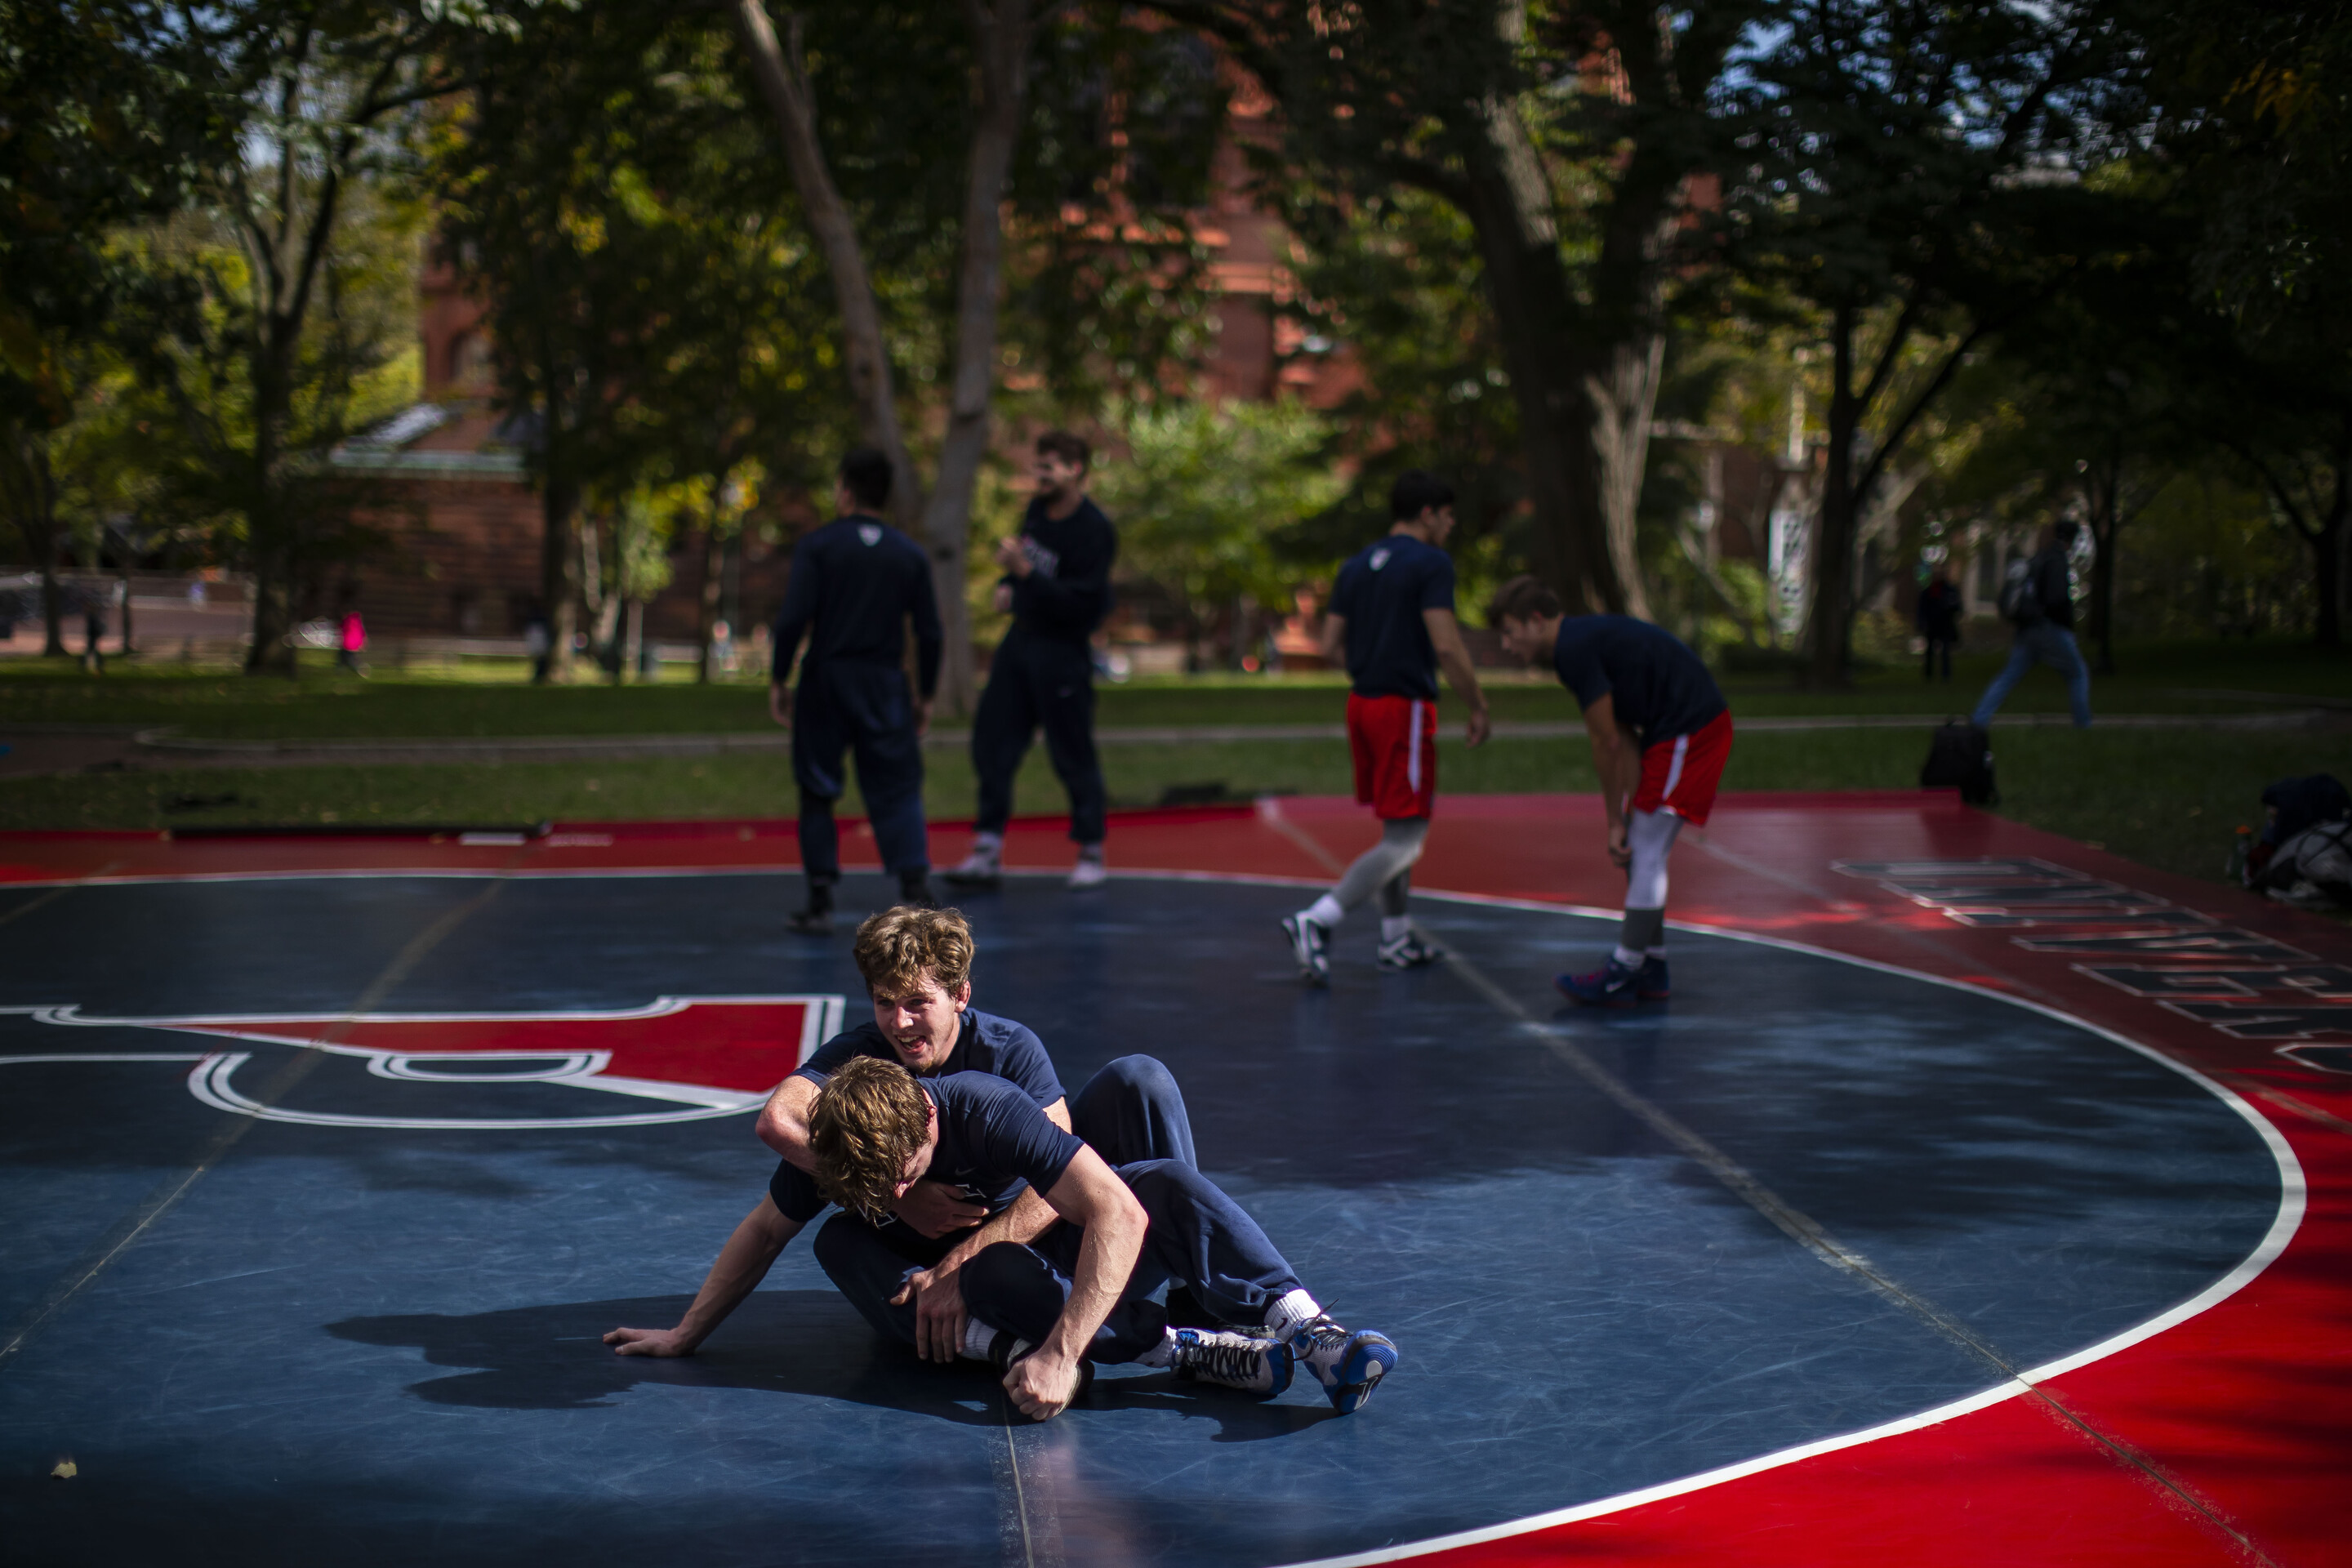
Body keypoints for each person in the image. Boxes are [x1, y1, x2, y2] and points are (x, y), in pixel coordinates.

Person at [607, 917, 1399, 1419]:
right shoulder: (852, 1104)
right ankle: (1175, 1346)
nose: (901, 1021)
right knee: (842, 1246)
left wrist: (965, 1265)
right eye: (885, 1004)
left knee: (1145, 1155)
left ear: (959, 998)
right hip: (983, 1281)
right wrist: (687, 1333)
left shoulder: (993, 1085)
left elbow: (1092, 1200)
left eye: (918, 1001)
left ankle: (1301, 1327)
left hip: (1027, 1232)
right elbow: (770, 1210)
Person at [1281, 470, 1490, 985]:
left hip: (1363, 702)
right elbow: (1446, 644)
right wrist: (1478, 702)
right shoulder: (1431, 563)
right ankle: (1319, 919)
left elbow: (1331, 647)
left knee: (1396, 826)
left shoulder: (1356, 566)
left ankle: (1395, 938)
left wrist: (1374, 659)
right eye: (1447, 516)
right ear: (1427, 514)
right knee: (1409, 839)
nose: (1450, 525)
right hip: (1404, 707)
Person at [1490, 575, 1734, 1008]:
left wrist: (1614, 821)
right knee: (1641, 850)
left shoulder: (1572, 650)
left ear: (1535, 620)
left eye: (1509, 632)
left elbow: (1607, 742)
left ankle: (1623, 973)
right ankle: (1651, 967)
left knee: (1645, 847)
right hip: (1671, 730)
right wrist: (1627, 811)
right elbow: (1622, 727)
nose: (1507, 646)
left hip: (1692, 728)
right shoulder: (1580, 643)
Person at [770, 448, 945, 933]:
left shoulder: (820, 546)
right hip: (885, 681)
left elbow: (792, 619)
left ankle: (820, 897)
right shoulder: (908, 553)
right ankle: (915, 886)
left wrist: (779, 677)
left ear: (845, 489)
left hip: (827, 678)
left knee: (817, 786)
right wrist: (926, 693)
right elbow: (930, 632)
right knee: (898, 785)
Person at [945, 431, 1118, 893]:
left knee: (1071, 750)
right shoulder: (1037, 513)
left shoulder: (1094, 530)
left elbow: (1082, 606)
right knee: (992, 742)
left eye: (1049, 468)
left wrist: (1026, 575)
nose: (1039, 476)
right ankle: (986, 847)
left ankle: (1091, 849)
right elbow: (1024, 565)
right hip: (1019, 644)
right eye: (1037, 466)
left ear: (1076, 470)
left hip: (1063, 651)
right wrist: (1009, 581)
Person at [1971, 520, 2091, 728]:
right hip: (2048, 628)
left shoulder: (2040, 557)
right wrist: (2065, 618)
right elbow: (2055, 598)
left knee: (2008, 676)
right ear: (2073, 540)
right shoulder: (2057, 560)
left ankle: (1979, 720)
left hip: (2027, 630)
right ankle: (2083, 725)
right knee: (2078, 673)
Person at [1915, 565, 1960, 682]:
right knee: (1929, 651)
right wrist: (1922, 622)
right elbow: (1922, 608)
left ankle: (1946, 675)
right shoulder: (1928, 591)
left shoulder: (1949, 590)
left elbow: (1957, 607)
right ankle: (1928, 675)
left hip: (1945, 624)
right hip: (1931, 624)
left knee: (1945, 651)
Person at [338, 607, 367, 676]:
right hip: (355, 646)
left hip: (348, 645)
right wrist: (363, 644)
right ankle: (341, 670)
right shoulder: (358, 622)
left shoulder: (347, 621)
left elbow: (342, 630)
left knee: (349, 660)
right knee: (345, 658)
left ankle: (360, 670)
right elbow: (362, 634)